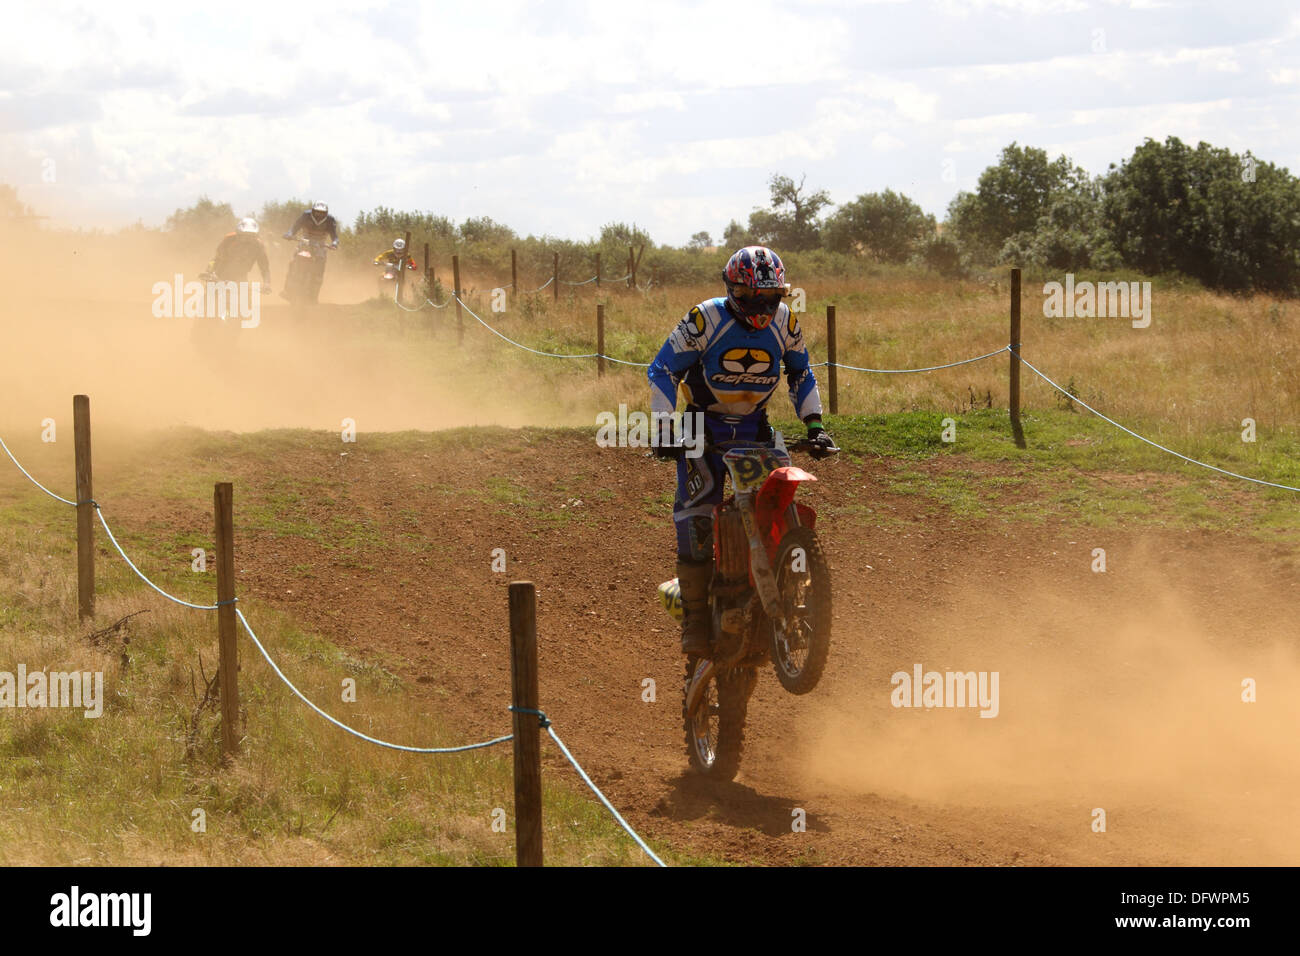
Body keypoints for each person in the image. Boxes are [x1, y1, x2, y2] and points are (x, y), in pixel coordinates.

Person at [647, 245, 835, 657]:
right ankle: (695, 619)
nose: (763, 305)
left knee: (780, 495)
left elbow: (800, 370)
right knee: (697, 508)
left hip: (754, 426)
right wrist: (663, 429)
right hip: (702, 424)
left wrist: (815, 427)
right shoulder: (705, 318)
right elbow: (663, 369)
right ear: (733, 289)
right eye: (753, 296)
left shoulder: (785, 322)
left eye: (771, 296)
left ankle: (789, 583)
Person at [204, 217, 270, 289]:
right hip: (220, 274)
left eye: (251, 236)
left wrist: (266, 284)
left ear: (256, 236)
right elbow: (216, 258)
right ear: (238, 234)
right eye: (244, 235)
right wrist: (209, 272)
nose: (247, 239)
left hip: (240, 277)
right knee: (210, 297)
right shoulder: (229, 239)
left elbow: (264, 267)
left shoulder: (258, 246)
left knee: (246, 299)